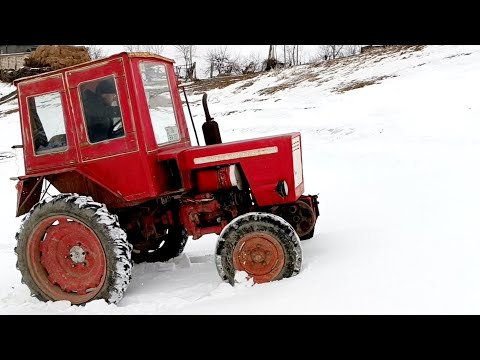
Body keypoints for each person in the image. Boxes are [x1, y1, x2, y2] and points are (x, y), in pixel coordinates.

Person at [82, 78, 124, 143]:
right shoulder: (92, 106)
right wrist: (125, 110)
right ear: (104, 95)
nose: (114, 99)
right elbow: (105, 111)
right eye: (114, 96)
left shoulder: (99, 106)